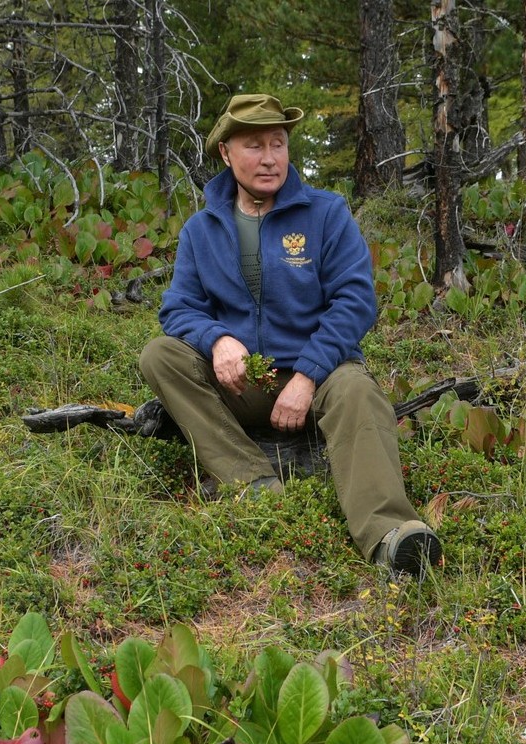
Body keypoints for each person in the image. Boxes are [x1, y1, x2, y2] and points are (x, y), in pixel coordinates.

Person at [140, 93, 442, 576]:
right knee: (160, 356)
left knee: (359, 390)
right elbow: (178, 309)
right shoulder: (201, 230)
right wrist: (217, 340)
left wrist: (307, 375)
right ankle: (254, 483)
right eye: (254, 145)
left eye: (277, 143)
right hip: (243, 385)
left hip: (321, 382)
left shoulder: (326, 213)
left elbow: (356, 301)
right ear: (225, 153)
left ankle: (390, 536)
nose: (269, 158)